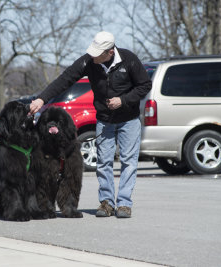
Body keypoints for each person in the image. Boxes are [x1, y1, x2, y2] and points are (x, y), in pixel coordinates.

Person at [29, 31, 152, 218]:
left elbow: (144, 85)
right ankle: (107, 203)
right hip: (104, 119)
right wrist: (41, 99)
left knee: (128, 161)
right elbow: (65, 79)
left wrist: (124, 100)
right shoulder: (89, 61)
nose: (93, 56)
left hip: (129, 119)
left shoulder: (129, 60)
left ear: (110, 52)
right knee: (104, 162)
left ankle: (124, 204)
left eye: (98, 53)